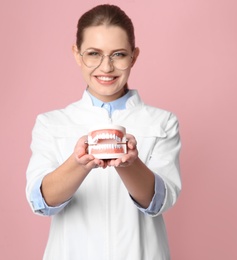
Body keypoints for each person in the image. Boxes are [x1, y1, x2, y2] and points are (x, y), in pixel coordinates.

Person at [25, 4, 181, 260]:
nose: (106, 67)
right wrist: (79, 163)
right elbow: (41, 202)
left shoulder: (162, 122)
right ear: (77, 54)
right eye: (93, 53)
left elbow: (160, 202)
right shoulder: (51, 123)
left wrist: (130, 164)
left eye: (118, 54)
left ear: (134, 56)